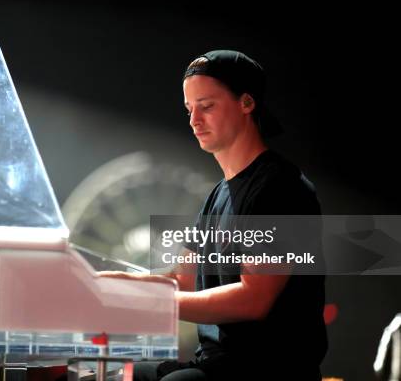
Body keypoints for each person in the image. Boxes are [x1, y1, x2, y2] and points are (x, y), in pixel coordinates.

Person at [101, 50, 327, 380]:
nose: (194, 120)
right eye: (189, 109)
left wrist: (146, 304)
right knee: (124, 375)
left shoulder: (281, 188)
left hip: (267, 369)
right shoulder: (216, 196)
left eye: (206, 106)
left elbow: (254, 299)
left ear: (247, 103)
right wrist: (104, 286)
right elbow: (182, 280)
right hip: (216, 364)